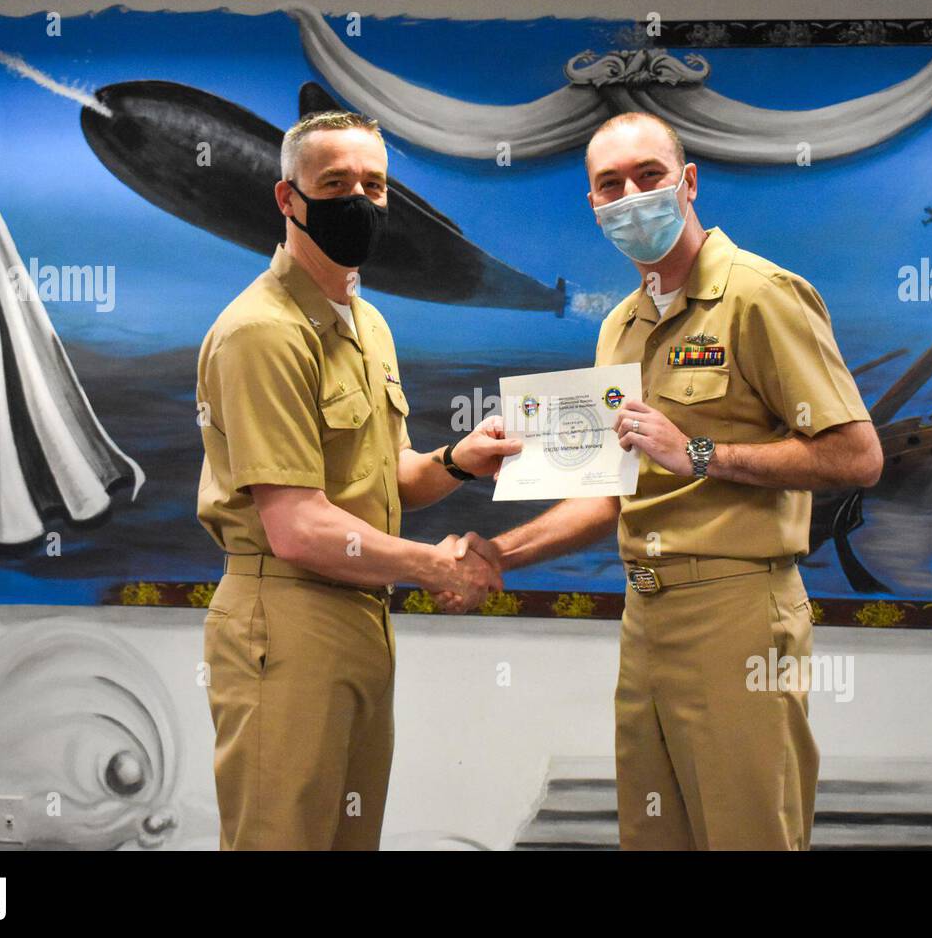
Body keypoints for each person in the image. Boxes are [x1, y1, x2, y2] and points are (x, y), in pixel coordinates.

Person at [464, 112, 883, 850]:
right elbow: (607, 493)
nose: (630, 197)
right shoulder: (619, 325)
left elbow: (856, 457)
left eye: (649, 176)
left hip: (738, 608)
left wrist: (702, 453)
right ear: (593, 207)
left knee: (749, 835)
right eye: (610, 185)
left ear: (688, 183)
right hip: (645, 617)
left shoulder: (761, 295)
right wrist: (500, 556)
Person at [195, 110, 518, 850]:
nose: (358, 200)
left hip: (359, 615)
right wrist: (436, 566)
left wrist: (458, 462)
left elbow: (384, 478)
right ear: (287, 199)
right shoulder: (264, 332)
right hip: (287, 615)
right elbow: (299, 526)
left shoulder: (366, 323)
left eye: (373, 185)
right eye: (333, 183)